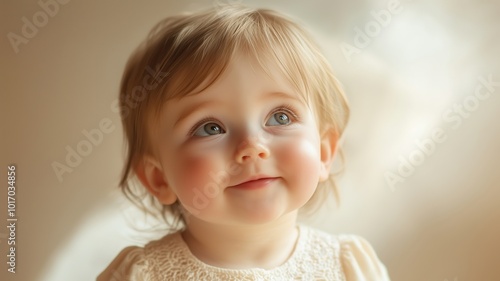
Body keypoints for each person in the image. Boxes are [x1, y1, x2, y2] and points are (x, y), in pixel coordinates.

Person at [98, 4, 390, 280]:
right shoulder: (143, 274)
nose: (252, 146)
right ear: (158, 178)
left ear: (324, 153)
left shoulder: (348, 266)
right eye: (210, 128)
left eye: (280, 117)